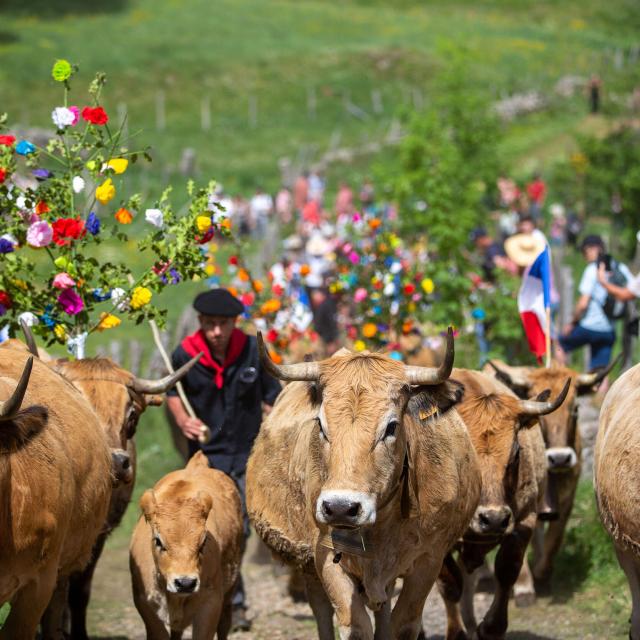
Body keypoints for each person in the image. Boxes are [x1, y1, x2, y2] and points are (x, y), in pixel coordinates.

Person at [166, 289, 281, 632]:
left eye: (224, 324)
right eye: (211, 324)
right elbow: (173, 392)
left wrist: (273, 426)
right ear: (200, 322)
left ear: (234, 323)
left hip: (247, 454)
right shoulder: (184, 354)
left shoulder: (251, 351)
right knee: (206, 529)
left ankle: (230, 595)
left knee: (240, 529)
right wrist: (183, 419)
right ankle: (222, 599)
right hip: (205, 458)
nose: (217, 332)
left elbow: (272, 396)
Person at [556, 235, 631, 371]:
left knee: (559, 344)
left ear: (590, 249)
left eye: (584, 252)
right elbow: (632, 292)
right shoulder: (620, 267)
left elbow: (583, 304)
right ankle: (602, 392)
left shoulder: (592, 270)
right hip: (609, 330)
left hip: (588, 327)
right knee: (601, 371)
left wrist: (572, 322)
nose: (584, 256)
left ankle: (562, 382)